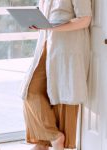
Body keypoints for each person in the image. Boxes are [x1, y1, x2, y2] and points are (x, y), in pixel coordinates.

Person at [20, 0, 92, 150]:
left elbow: (85, 20)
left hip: (67, 45)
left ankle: (46, 144)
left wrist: (53, 27)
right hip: (46, 42)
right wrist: (36, 23)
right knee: (30, 90)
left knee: (63, 93)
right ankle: (51, 137)